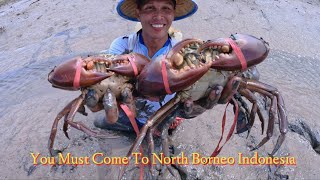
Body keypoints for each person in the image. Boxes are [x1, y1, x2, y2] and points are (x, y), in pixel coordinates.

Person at [94, 0, 199, 132]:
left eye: (166, 9)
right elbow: (108, 81)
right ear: (138, 13)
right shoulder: (122, 45)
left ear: (173, 14)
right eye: (150, 8)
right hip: (128, 114)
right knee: (98, 123)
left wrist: (187, 111)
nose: (159, 16)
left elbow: (190, 93)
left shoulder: (183, 52)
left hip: (164, 118)